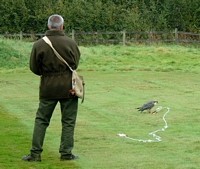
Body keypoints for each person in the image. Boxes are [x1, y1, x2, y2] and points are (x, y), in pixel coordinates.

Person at [22, 14, 81, 162]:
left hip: (48, 87)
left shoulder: (39, 44)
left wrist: (48, 74)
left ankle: (35, 154)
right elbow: (75, 64)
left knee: (41, 120)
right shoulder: (71, 43)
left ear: (49, 26)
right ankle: (66, 154)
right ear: (62, 26)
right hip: (69, 87)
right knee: (68, 121)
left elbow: (34, 68)